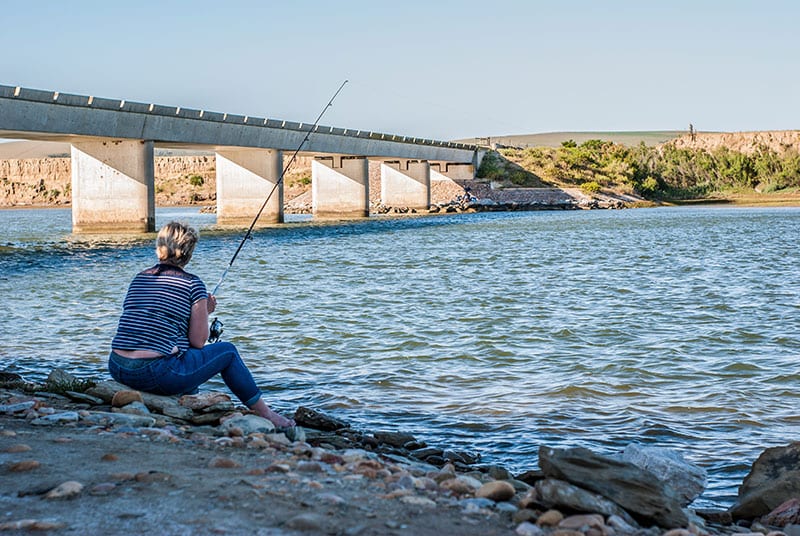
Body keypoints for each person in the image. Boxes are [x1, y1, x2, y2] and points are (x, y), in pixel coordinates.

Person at [108, 221, 295, 428]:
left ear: (159, 246)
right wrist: (205, 311)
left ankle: (185, 401)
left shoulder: (140, 278)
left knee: (179, 348)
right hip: (152, 373)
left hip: (117, 366)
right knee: (228, 352)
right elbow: (198, 341)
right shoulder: (192, 284)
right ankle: (267, 414)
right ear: (189, 252)